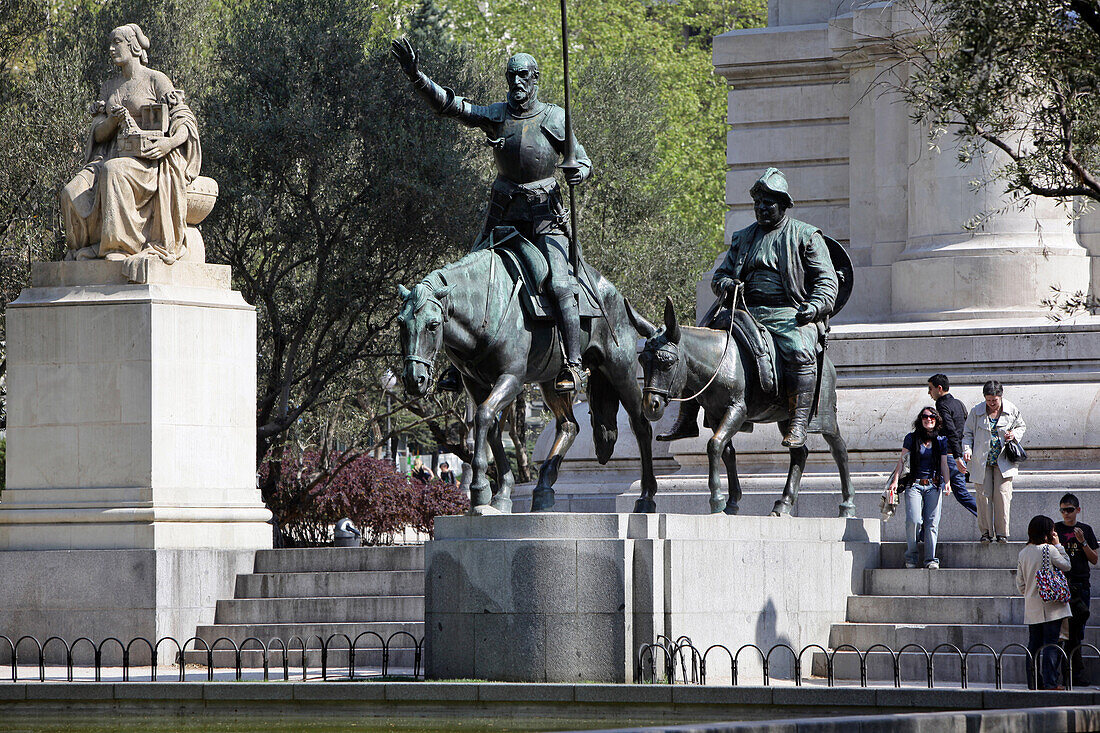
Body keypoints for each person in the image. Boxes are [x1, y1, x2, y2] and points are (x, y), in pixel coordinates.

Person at [391, 38, 592, 394]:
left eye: (524, 77)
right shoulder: (498, 116)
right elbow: (454, 106)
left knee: (561, 285)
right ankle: (460, 366)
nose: (517, 84)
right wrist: (418, 77)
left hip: (545, 220)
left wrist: (580, 171)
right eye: (512, 77)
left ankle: (573, 364)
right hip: (503, 220)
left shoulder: (554, 117)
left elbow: (582, 158)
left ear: (535, 79)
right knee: (464, 281)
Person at [657, 168, 839, 448]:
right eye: (757, 203)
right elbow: (719, 277)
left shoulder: (806, 235)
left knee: (799, 351)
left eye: (768, 203)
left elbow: (826, 281)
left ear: (783, 205)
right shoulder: (743, 237)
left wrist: (814, 307)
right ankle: (687, 417)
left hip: (788, 312)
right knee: (691, 345)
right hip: (742, 311)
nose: (761, 209)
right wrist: (727, 284)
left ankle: (799, 422)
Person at [60, 24, 202, 263]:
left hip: (147, 159)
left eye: (117, 42)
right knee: (70, 192)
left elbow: (183, 118)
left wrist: (169, 143)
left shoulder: (156, 80)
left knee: (114, 171)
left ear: (133, 46)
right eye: (111, 43)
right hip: (109, 155)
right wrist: (113, 120)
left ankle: (119, 246)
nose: (111, 48)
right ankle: (87, 246)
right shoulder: (109, 87)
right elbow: (98, 135)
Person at [887, 407, 952, 569]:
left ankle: (930, 559)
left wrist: (948, 481)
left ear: (937, 420)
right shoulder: (911, 438)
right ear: (920, 419)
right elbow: (902, 461)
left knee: (931, 523)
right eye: (925, 417)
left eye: (932, 417)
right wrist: (894, 482)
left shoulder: (941, 440)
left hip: (934, 484)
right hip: (914, 484)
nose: (928, 419)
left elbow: (944, 464)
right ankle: (911, 556)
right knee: (913, 520)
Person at [963, 380, 1026, 543]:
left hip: (1003, 461)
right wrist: (967, 450)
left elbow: (1021, 426)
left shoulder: (1011, 409)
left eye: (995, 400)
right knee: (983, 497)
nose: (992, 403)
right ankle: (985, 532)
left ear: (1001, 397)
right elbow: (967, 433)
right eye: (989, 400)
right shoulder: (976, 411)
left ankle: (1002, 533)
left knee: (1002, 495)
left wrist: (1014, 435)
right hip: (981, 461)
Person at [1017, 515, 1073, 690]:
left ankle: (1033, 682)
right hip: (1052, 605)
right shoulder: (1050, 549)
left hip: (1032, 607)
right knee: (1051, 643)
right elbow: (1066, 565)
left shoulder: (1023, 552)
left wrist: (1030, 594)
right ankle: (1050, 682)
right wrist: (1058, 545)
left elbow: (1020, 583)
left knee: (1033, 645)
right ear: (1047, 532)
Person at [1055, 493, 1099, 685]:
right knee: (1058, 632)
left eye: (1070, 510)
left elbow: (1094, 559)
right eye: (1063, 510)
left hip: (1080, 586)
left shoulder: (1086, 530)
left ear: (1078, 510)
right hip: (1061, 586)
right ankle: (1056, 675)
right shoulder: (1055, 529)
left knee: (1077, 632)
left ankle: (1075, 674)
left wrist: (1082, 542)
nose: (1066, 514)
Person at [927, 374, 978, 518]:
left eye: (930, 389)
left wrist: (956, 456)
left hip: (950, 456)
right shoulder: (958, 403)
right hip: (958, 454)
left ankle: (988, 519)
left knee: (933, 491)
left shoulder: (942, 405)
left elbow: (951, 431)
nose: (929, 393)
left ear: (939, 388)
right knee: (958, 494)